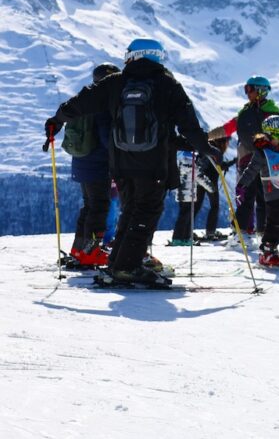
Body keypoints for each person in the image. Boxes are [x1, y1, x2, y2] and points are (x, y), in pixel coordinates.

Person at [44, 38, 211, 286]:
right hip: (153, 164)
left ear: (134, 56)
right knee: (146, 211)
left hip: (120, 164)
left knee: (131, 210)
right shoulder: (167, 84)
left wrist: (56, 120)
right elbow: (188, 123)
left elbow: (81, 102)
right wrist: (206, 149)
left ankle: (118, 263)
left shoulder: (115, 82)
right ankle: (126, 267)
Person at [209, 75, 279, 247]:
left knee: (259, 197)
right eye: (246, 89)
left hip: (263, 160)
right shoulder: (246, 112)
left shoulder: (272, 112)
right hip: (250, 159)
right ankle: (246, 232)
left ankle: (257, 233)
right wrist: (206, 137)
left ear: (260, 90)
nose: (247, 93)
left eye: (249, 89)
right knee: (249, 196)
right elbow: (227, 129)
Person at [63, 63, 119, 267]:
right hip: (98, 165)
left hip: (81, 164)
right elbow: (106, 139)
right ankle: (91, 251)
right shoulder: (103, 104)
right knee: (100, 207)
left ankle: (79, 249)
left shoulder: (83, 101)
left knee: (89, 207)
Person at [237, 115, 279, 267]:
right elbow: (251, 170)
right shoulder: (262, 153)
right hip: (272, 193)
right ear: (274, 134)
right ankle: (268, 251)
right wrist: (242, 185)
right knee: (275, 222)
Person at [170, 137, 233, 244]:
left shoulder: (206, 148)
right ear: (222, 142)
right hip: (207, 181)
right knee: (214, 206)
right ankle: (209, 232)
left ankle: (187, 233)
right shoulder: (214, 151)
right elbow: (217, 165)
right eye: (227, 142)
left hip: (197, 182)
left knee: (195, 207)